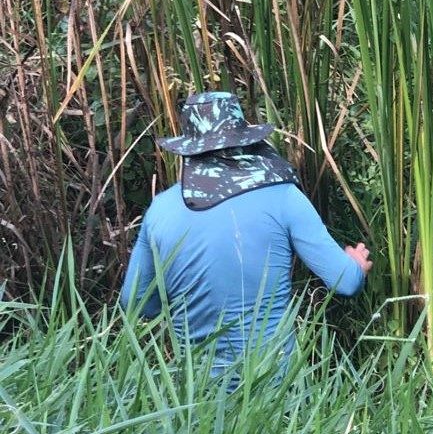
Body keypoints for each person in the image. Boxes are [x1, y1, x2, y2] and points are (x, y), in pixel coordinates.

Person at [120, 91, 372, 384]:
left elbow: (136, 304)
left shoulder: (161, 209)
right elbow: (346, 282)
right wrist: (355, 262)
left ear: (189, 150)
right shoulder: (285, 197)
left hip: (193, 392)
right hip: (275, 389)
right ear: (245, 142)